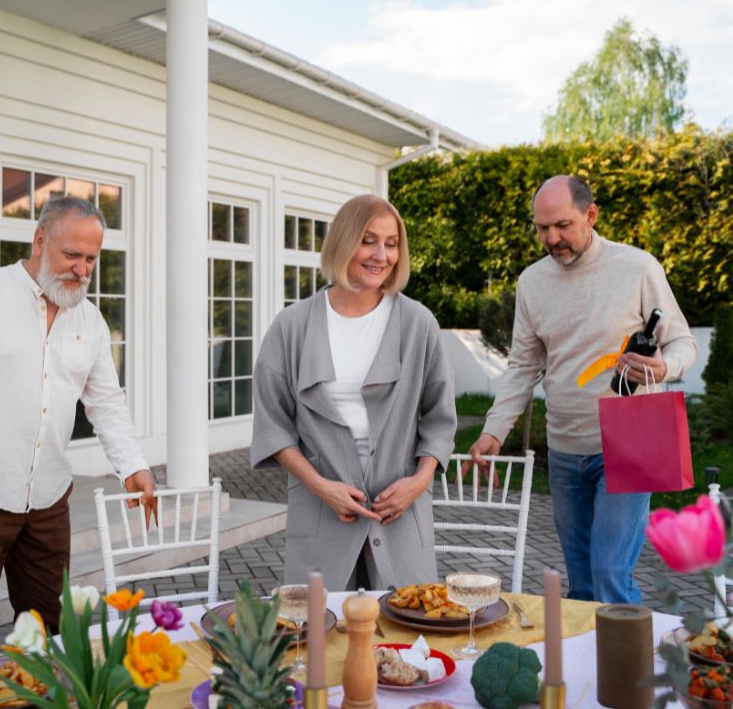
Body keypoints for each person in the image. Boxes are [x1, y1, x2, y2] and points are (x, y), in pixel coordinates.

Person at [0, 196, 156, 655]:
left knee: (49, 631)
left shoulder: (91, 320)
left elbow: (106, 402)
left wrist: (132, 464)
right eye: (72, 256)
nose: (82, 270)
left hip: (48, 502)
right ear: (39, 240)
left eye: (91, 260)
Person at [468, 175, 698, 604]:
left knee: (610, 573)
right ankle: (590, 668)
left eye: (563, 226)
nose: (552, 238)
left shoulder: (637, 267)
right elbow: (522, 366)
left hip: (630, 444)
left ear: (591, 215)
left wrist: (664, 367)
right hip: (565, 449)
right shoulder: (532, 283)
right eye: (542, 228)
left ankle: (629, 670)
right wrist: (493, 431)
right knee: (583, 584)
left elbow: (683, 341)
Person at [252, 194, 457, 591]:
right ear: (343, 242)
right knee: (319, 638)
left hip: (400, 517)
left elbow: (440, 418)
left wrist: (418, 482)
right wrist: (320, 486)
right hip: (322, 514)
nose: (381, 254)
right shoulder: (290, 326)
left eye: (392, 243)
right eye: (368, 240)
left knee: (406, 635)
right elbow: (272, 425)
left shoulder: (418, 323)